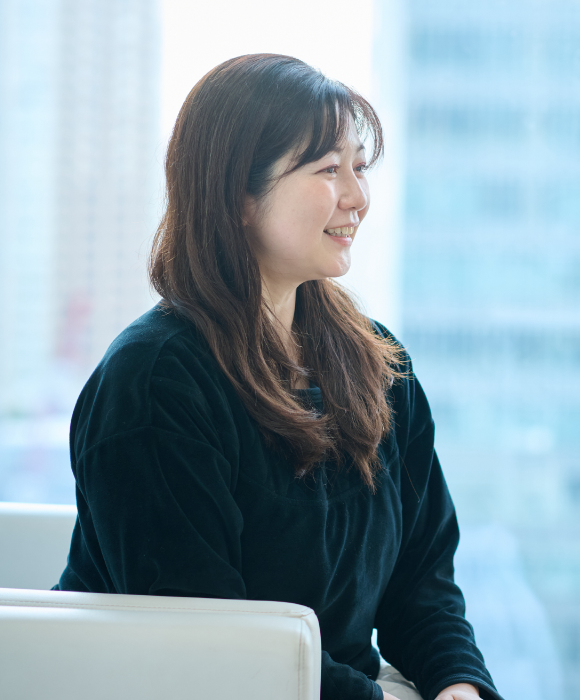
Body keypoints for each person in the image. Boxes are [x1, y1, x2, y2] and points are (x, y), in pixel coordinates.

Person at [53, 54, 504, 700]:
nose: (358, 197)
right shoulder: (154, 384)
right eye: (328, 170)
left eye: (359, 167)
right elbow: (211, 648)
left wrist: (458, 684)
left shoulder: (377, 363)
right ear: (239, 195)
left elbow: (424, 581)